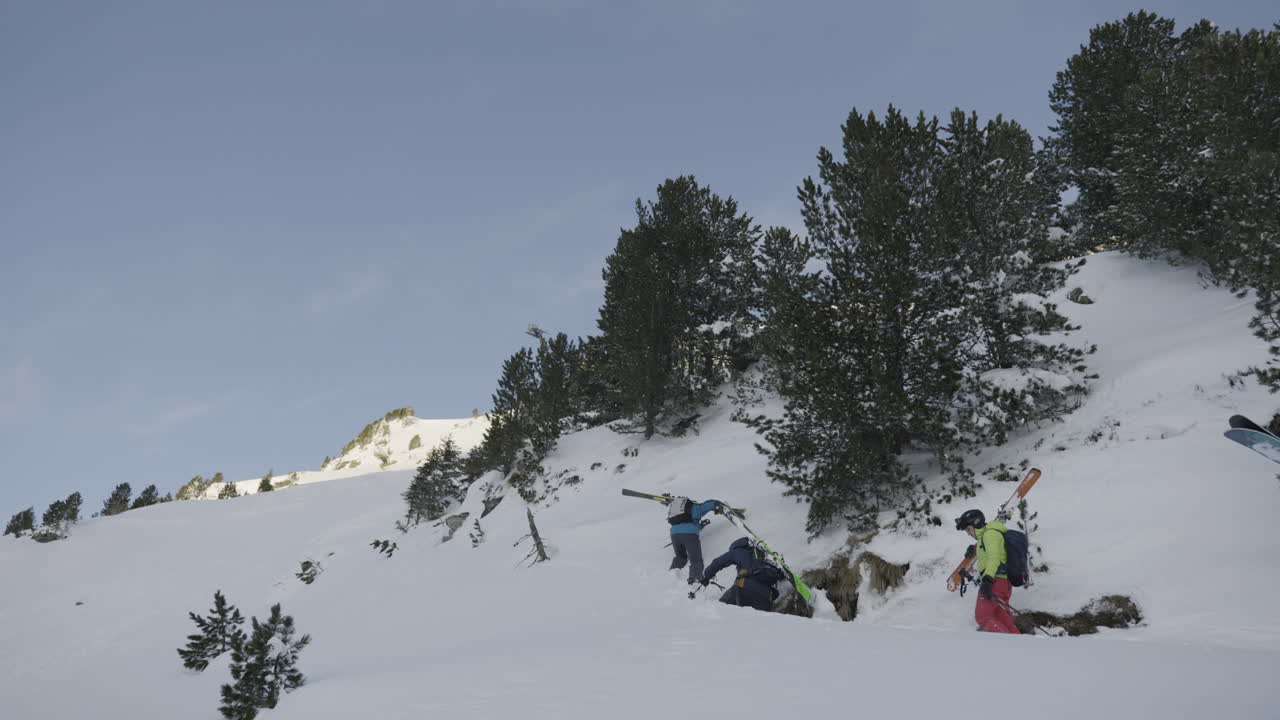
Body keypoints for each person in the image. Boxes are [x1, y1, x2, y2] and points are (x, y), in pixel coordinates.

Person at [955, 509, 1020, 634]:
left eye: (968, 529)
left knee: (982, 617)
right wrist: (975, 548)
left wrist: (988, 579)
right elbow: (989, 554)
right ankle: (1020, 643)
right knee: (1002, 618)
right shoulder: (988, 535)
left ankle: (1009, 644)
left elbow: (994, 558)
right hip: (1002, 583)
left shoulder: (990, 535)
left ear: (976, 524)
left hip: (995, 581)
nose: (968, 533)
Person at [698, 536, 783, 612]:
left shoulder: (738, 551)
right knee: (759, 623)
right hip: (765, 596)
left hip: (744, 588)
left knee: (721, 609)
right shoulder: (764, 558)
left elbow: (718, 562)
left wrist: (706, 576)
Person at [667, 496, 720, 584]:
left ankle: (672, 573)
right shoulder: (692, 508)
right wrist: (716, 504)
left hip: (674, 535)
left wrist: (698, 525)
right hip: (689, 535)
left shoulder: (674, 511)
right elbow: (705, 507)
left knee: (680, 557)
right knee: (695, 559)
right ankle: (695, 578)